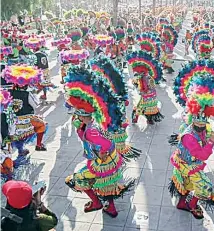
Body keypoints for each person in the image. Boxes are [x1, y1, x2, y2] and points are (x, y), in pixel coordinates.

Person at [64, 66, 134, 217]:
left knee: (76, 180)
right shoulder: (94, 124)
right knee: (107, 186)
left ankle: (96, 203)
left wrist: (102, 153)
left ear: (81, 116)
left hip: (102, 164)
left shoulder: (92, 130)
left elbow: (106, 144)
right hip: (110, 162)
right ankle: (111, 209)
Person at [169, 74, 214, 219]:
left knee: (186, 186)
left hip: (191, 163)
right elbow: (202, 155)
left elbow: (205, 138)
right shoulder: (189, 136)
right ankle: (191, 205)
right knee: (205, 187)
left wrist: (211, 140)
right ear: (192, 118)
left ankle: (182, 204)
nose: (200, 124)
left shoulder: (203, 128)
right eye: (197, 121)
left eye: (203, 122)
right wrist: (210, 143)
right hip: (187, 165)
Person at [3, 65, 48, 154]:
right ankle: (39, 145)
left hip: (10, 122)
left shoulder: (8, 92)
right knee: (43, 125)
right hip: (26, 123)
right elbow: (35, 105)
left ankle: (20, 149)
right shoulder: (27, 94)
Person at [127, 51, 164, 125]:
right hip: (152, 96)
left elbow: (141, 89)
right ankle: (149, 119)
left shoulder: (141, 78)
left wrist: (135, 84)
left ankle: (136, 119)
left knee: (140, 108)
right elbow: (152, 86)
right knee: (150, 108)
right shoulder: (149, 77)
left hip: (146, 96)